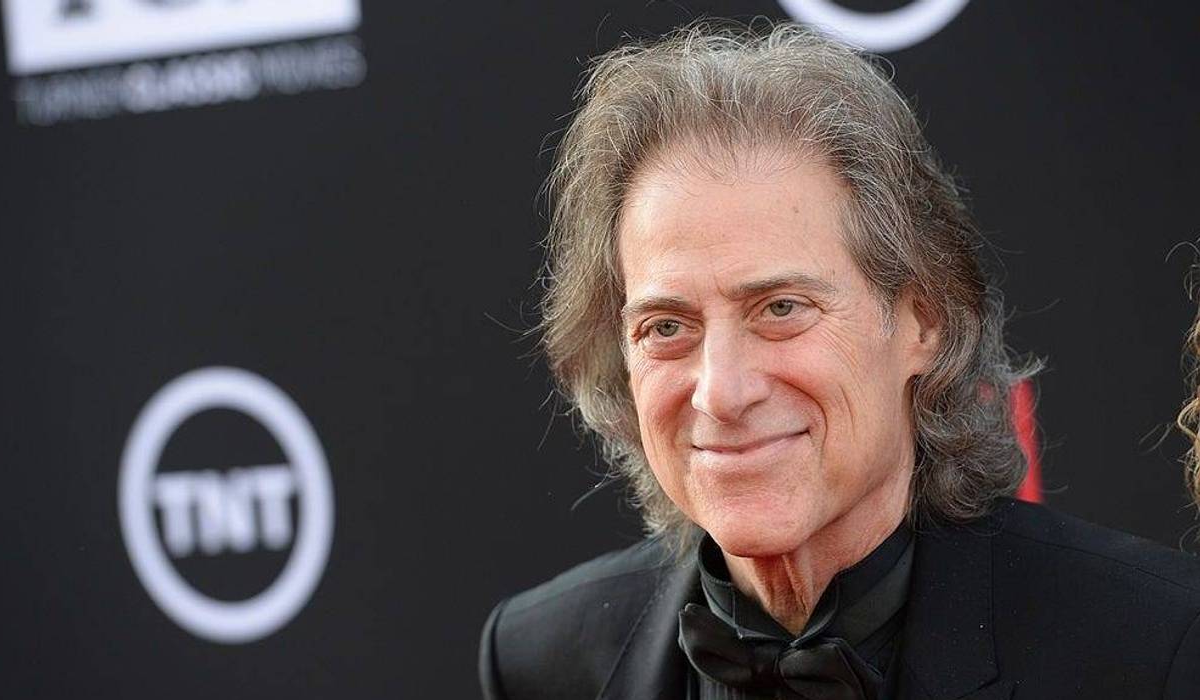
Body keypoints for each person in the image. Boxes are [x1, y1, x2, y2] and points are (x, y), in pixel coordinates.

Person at [480, 22, 1200, 699]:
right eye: (667, 325)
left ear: (923, 320)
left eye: (781, 310)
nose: (721, 392)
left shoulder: (1152, 646)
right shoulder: (541, 660)